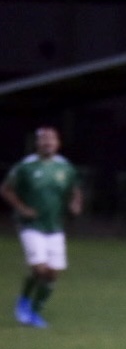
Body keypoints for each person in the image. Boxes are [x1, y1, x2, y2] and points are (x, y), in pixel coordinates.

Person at [3, 126, 83, 328]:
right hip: (31, 225)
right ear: (36, 143)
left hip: (55, 226)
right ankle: (24, 303)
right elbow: (5, 189)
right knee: (40, 268)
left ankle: (35, 311)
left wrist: (75, 204)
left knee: (52, 273)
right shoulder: (26, 166)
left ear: (58, 143)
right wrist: (22, 208)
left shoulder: (65, 167)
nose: (48, 143)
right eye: (44, 139)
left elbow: (75, 189)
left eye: (52, 139)